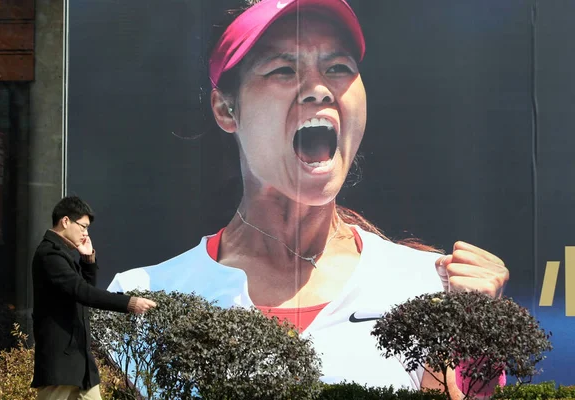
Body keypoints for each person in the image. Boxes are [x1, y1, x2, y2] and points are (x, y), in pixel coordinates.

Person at [107, 0, 509, 397]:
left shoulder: (430, 288)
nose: (318, 89)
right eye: (283, 70)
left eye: (338, 68)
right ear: (227, 110)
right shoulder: (140, 297)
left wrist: (477, 330)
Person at [31, 196, 157, 400]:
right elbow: (83, 292)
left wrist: (87, 260)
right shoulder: (49, 255)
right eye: (83, 227)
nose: (85, 234)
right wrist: (129, 303)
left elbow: (83, 293)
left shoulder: (61, 254)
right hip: (60, 363)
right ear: (65, 221)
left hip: (79, 363)